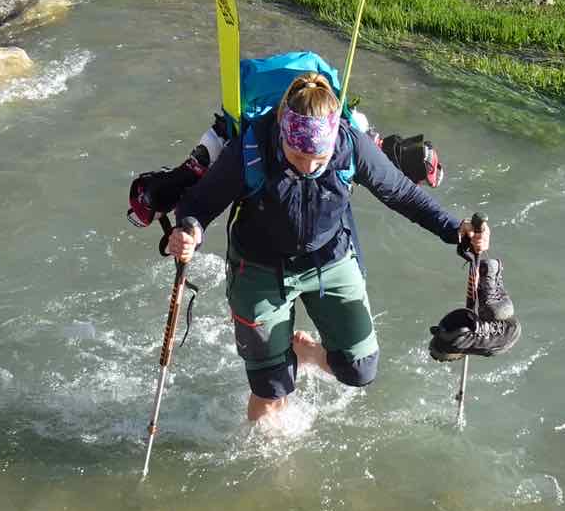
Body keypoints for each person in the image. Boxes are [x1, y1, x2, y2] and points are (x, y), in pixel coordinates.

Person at [166, 72, 490, 425]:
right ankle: (272, 467)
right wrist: (189, 232)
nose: (308, 167)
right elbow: (198, 204)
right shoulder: (250, 148)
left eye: (318, 159)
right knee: (271, 388)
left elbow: (402, 193)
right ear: (281, 130)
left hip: (331, 260)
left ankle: (302, 351)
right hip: (258, 269)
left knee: (359, 370)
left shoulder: (350, 144)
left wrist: (454, 229)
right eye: (297, 155)